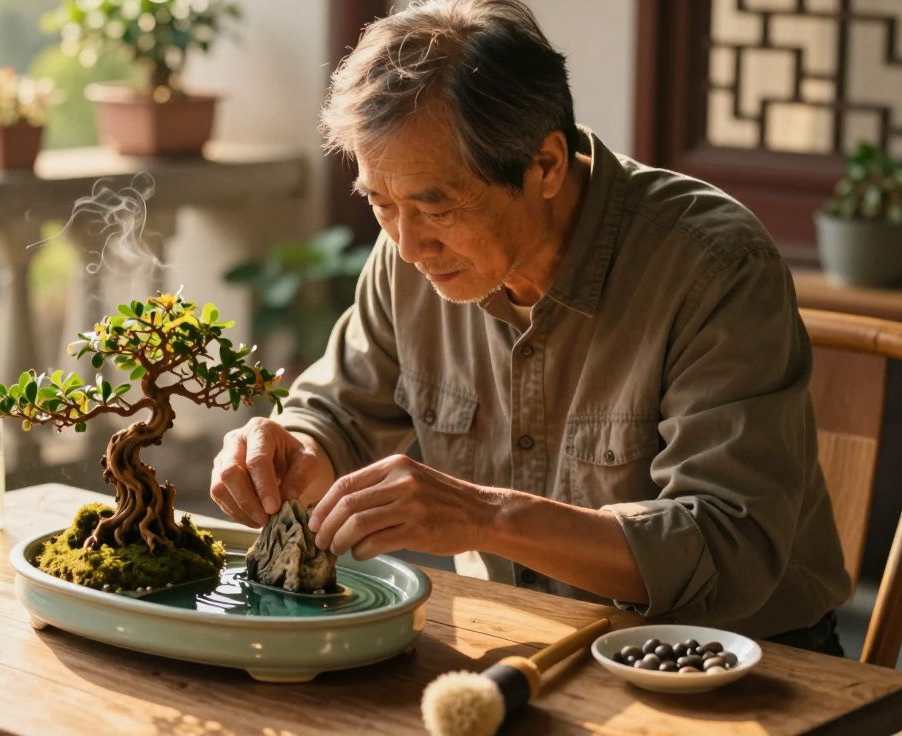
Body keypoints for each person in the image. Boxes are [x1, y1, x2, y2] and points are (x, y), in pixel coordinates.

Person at [209, 0, 850, 654]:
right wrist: (291, 449)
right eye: (380, 204)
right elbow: (340, 413)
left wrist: (484, 516)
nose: (406, 245)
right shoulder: (410, 258)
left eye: (438, 207)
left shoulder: (713, 268)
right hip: (528, 645)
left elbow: (726, 548)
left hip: (738, 665)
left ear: (545, 165)